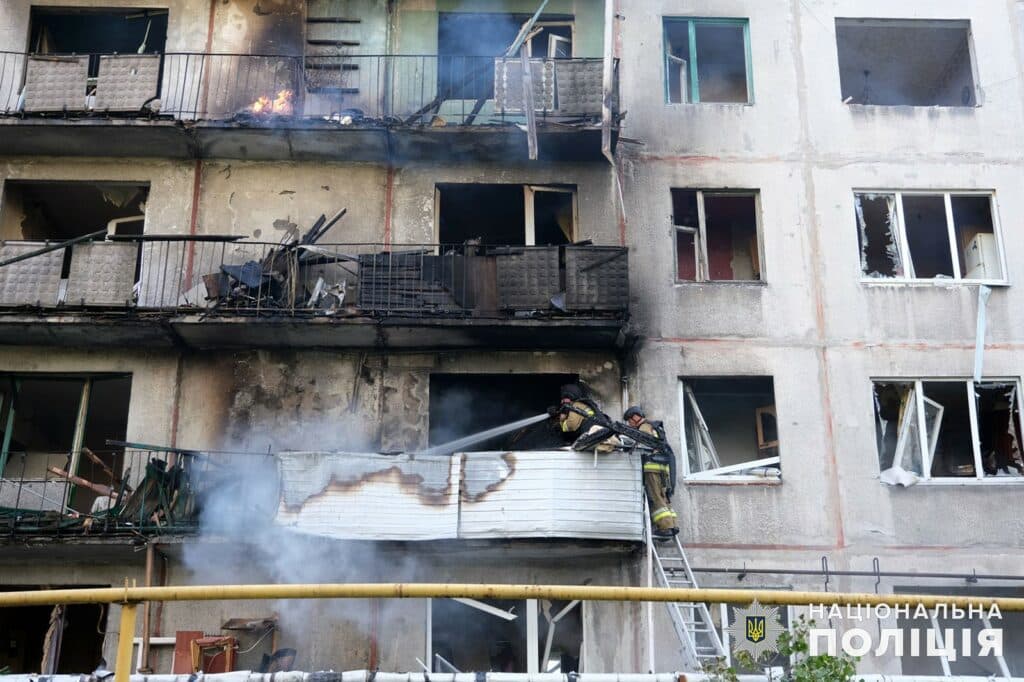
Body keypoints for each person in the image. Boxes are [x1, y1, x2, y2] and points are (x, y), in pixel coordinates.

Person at [624, 405, 679, 540]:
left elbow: (643, 445)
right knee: (663, 497)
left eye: (630, 420)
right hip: (663, 468)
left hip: (652, 467)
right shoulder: (655, 427)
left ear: (636, 417)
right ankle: (672, 525)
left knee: (655, 498)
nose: (629, 424)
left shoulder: (644, 427)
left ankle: (665, 528)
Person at [551, 384, 619, 453]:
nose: (561, 402)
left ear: (568, 398)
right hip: (599, 439)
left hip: (595, 439)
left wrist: (562, 420)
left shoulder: (577, 405)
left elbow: (571, 426)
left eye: (563, 399)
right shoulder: (585, 404)